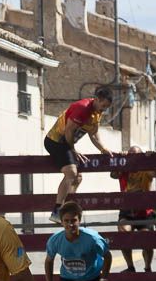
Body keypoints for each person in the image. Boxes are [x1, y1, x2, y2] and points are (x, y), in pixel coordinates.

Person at [44, 86, 115, 223]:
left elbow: (93, 133)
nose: (104, 109)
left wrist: (103, 149)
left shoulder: (97, 112)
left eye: (107, 107)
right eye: (103, 105)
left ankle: (67, 209)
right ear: (97, 99)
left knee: (77, 178)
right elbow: (69, 131)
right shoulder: (82, 108)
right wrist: (73, 150)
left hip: (67, 144)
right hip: (56, 141)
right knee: (71, 173)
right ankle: (57, 211)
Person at [111, 145, 156, 273]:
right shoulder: (124, 168)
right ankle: (130, 267)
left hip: (145, 211)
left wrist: (149, 159)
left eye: (136, 154)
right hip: (127, 209)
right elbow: (113, 174)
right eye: (130, 154)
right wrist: (120, 158)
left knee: (147, 240)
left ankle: (147, 267)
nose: (133, 157)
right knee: (123, 234)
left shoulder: (145, 169)